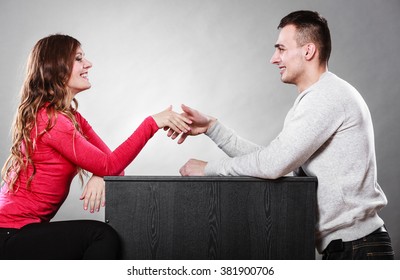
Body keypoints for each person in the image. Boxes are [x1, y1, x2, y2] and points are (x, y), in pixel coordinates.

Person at [175, 10, 395, 260]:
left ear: (308, 51)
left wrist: (208, 168)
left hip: (358, 250)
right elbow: (278, 162)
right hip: (351, 247)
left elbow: (273, 164)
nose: (273, 58)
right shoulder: (318, 97)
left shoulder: (326, 97)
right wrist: (213, 128)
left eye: (281, 48)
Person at [0, 34, 191, 259]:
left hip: (21, 231)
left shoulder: (72, 118)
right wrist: (152, 123)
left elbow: (114, 168)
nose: (88, 64)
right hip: (10, 233)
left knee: (100, 237)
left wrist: (99, 174)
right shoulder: (50, 120)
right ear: (58, 68)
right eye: (79, 59)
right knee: (101, 236)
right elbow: (110, 165)